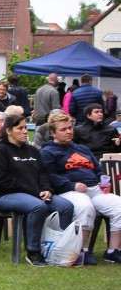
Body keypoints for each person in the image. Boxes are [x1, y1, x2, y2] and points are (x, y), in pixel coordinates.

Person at [0, 114, 74, 266]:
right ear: (8, 131)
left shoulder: (32, 150)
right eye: (20, 128)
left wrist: (47, 189)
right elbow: (1, 180)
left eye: (26, 127)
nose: (25, 131)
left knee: (66, 206)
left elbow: (44, 174)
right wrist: (35, 192)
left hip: (35, 194)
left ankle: (58, 248)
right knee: (38, 206)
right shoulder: (0, 151)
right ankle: (33, 252)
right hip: (6, 195)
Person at [40, 113, 121, 265]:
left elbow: (97, 169)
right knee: (85, 207)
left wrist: (103, 180)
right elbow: (49, 176)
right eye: (63, 129)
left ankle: (113, 251)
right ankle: (83, 251)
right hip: (69, 191)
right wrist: (73, 185)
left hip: (95, 189)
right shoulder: (48, 152)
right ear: (53, 133)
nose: (68, 132)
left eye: (70, 128)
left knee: (119, 206)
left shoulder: (83, 149)